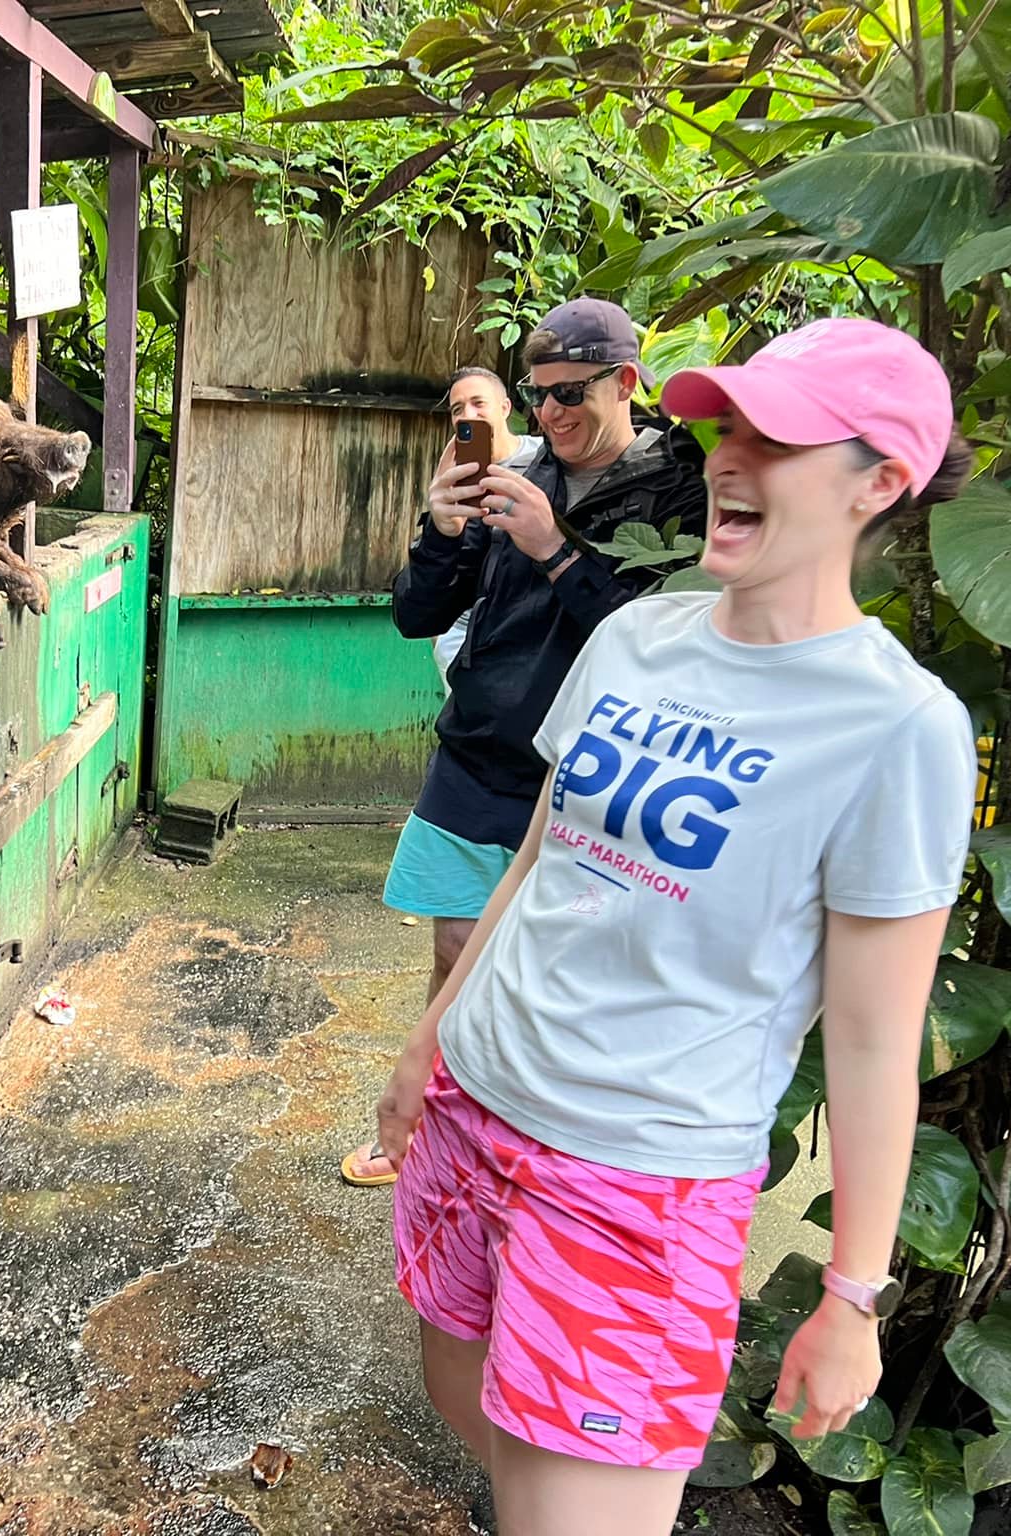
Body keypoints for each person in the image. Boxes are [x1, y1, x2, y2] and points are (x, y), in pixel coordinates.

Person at [376, 316, 981, 1536]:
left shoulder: (895, 726)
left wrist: (853, 1295)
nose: (728, 458)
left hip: (631, 1180)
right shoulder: (636, 638)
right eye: (727, 427)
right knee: (463, 1399)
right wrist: (426, 1044)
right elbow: (538, 862)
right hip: (475, 1106)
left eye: (779, 439)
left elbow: (872, 1041)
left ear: (879, 482)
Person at [341, 298, 706, 1188]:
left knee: (565, 978)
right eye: (535, 395)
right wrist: (441, 529)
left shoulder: (682, 489)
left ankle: (536, 1155)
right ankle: (431, 1127)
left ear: (628, 382)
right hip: (478, 753)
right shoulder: (523, 467)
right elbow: (418, 616)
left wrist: (556, 550)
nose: (548, 415)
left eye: (571, 393)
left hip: (592, 782)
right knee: (458, 954)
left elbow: (666, 652)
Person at [429, 366, 543, 683]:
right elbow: (439, 565)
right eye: (457, 409)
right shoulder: (454, 473)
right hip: (463, 626)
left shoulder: (543, 459)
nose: (468, 414)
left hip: (523, 624)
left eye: (479, 403)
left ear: (505, 408)